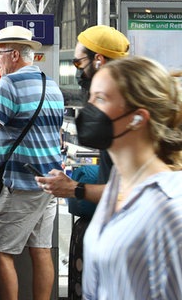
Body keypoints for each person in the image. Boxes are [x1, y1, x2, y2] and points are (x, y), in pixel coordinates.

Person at [0, 25, 64, 300]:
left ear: (15, 55)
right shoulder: (51, 84)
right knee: (41, 249)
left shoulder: (9, 83)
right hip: (51, 182)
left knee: (0, 250)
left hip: (23, 183)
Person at [79, 56, 182, 299]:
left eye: (101, 98)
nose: (89, 108)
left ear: (138, 118)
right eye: (91, 97)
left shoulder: (168, 209)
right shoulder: (118, 185)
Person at [36, 25, 130, 204]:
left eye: (78, 62)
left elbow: (131, 192)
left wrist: (75, 188)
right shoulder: (123, 99)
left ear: (98, 60)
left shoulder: (123, 112)